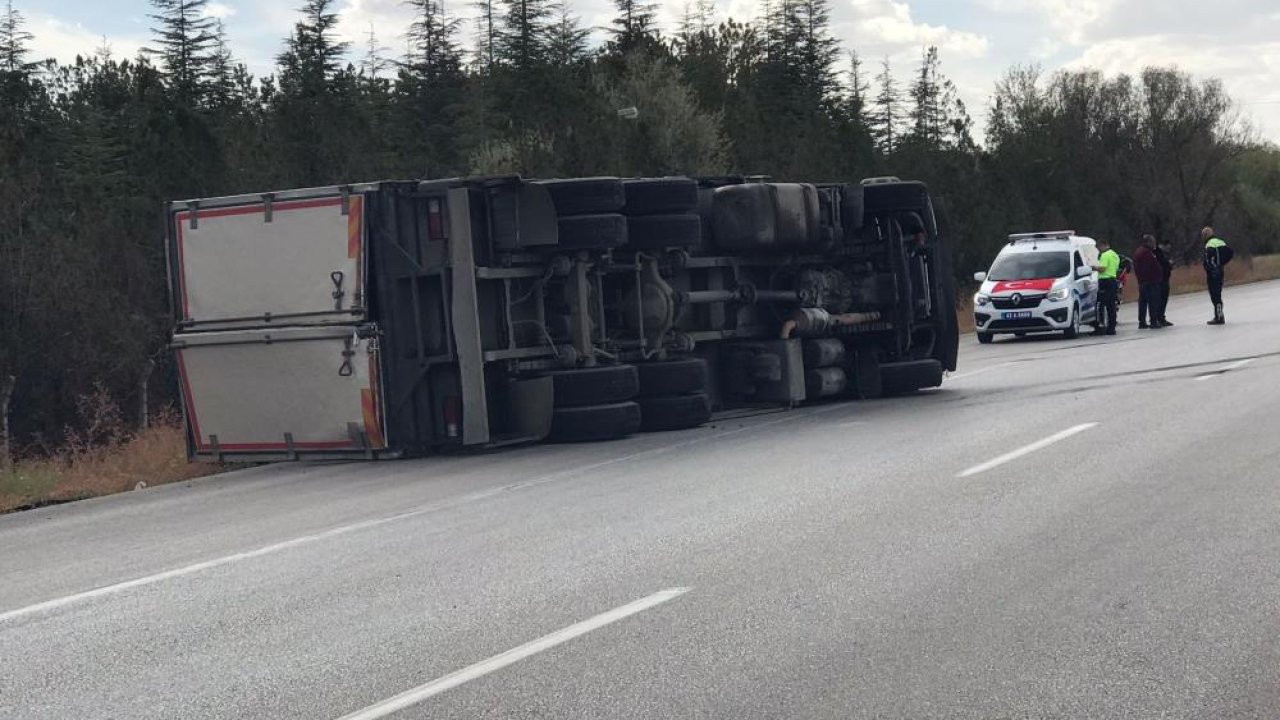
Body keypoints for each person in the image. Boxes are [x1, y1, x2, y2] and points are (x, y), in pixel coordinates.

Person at [1202, 226, 1233, 325]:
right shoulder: (1221, 242)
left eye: (1203, 235)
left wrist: (1211, 267)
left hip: (1213, 273)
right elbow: (1230, 252)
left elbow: (1208, 258)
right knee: (1217, 294)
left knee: (1215, 295)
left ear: (1206, 235)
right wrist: (1221, 263)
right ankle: (1219, 315)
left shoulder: (1209, 244)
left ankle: (1219, 317)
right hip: (1220, 271)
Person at [1132, 234, 1163, 329]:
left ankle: (1142, 322)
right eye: (1153, 242)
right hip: (1149, 281)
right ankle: (1153, 321)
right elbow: (1147, 268)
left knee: (1143, 302)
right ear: (1148, 242)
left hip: (1143, 281)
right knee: (1152, 302)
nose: (1154, 244)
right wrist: (1152, 277)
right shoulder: (1146, 253)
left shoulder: (1140, 251)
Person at [1092, 238, 1120, 335]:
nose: (1099, 250)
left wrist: (1093, 267)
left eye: (1098, 248)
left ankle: (1101, 327)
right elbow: (1116, 267)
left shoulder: (1105, 255)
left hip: (1105, 281)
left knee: (1101, 304)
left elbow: (1102, 269)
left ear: (1102, 245)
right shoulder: (1114, 255)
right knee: (1111, 306)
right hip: (1113, 280)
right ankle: (1112, 328)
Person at [1152, 239, 1174, 326]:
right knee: (1160, 300)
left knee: (1163, 300)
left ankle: (1161, 317)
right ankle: (1159, 318)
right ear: (1162, 245)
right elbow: (1164, 265)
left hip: (1164, 279)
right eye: (1167, 248)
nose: (1168, 250)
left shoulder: (1161, 253)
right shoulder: (1158, 253)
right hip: (1161, 280)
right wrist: (1169, 264)